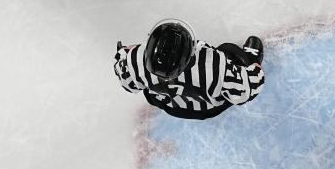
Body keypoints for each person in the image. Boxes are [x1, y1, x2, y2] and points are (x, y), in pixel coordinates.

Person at [113, 19, 265, 120]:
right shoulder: (213, 66)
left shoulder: (135, 61)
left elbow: (127, 82)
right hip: (207, 108)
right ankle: (251, 57)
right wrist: (254, 65)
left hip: (170, 105)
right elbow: (247, 89)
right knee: (229, 49)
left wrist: (127, 52)